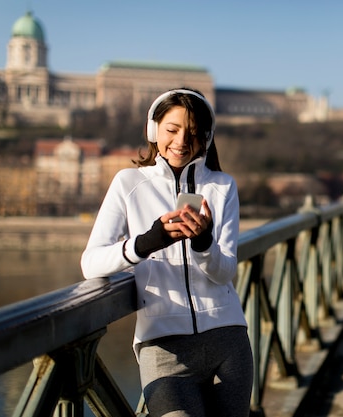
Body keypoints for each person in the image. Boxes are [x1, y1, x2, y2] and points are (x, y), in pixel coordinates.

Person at [81, 88, 253, 417]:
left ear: (207, 137)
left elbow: (225, 271)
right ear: (153, 130)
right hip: (163, 348)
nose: (181, 141)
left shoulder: (222, 186)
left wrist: (203, 242)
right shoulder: (128, 183)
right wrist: (147, 242)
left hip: (227, 340)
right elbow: (91, 264)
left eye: (193, 133)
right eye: (172, 130)